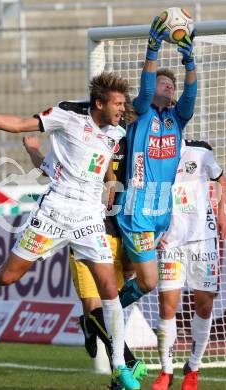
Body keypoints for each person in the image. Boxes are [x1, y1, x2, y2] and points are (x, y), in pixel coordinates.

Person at [0, 73, 141, 390]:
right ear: (99, 103)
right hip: (55, 211)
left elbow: (103, 160)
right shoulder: (67, 115)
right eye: (118, 103)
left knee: (109, 290)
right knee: (9, 275)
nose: (122, 108)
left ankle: (120, 367)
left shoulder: (117, 131)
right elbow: (17, 123)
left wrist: (110, 182)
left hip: (89, 219)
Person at [23, 126, 147, 390]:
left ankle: (108, 357)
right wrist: (33, 149)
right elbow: (49, 170)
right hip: (85, 233)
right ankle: (127, 362)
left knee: (110, 312)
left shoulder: (131, 143)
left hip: (122, 233)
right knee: (96, 310)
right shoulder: (79, 141)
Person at [116, 16, 198, 309]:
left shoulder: (177, 118)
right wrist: (153, 50)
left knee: (128, 273)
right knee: (149, 281)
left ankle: (104, 316)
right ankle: (99, 316)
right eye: (164, 83)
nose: (168, 88)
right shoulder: (140, 112)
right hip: (137, 206)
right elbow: (147, 91)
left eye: (171, 86)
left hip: (162, 209)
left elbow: (190, 96)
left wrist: (189, 62)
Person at [152, 139, 226, 390]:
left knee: (205, 303)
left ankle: (193, 367)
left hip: (203, 239)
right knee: (168, 304)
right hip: (170, 241)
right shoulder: (152, 153)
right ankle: (166, 370)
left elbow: (221, 180)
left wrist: (222, 212)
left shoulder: (200, 151)